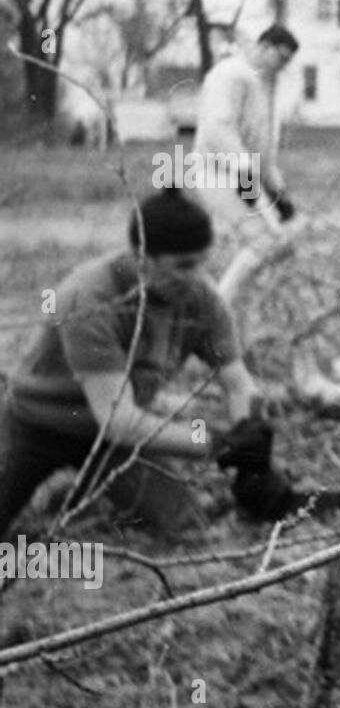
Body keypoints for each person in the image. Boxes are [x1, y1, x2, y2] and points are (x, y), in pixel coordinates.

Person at [0, 190, 265, 541]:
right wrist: (217, 444)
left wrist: (251, 445)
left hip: (111, 441)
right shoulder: (89, 296)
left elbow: (237, 382)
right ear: (143, 259)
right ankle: (69, 487)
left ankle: (76, 492)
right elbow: (120, 423)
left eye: (203, 261)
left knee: (190, 527)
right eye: (183, 265)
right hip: (37, 425)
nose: (197, 275)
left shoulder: (202, 298)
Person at [191, 24, 299, 298]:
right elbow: (218, 130)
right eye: (281, 58)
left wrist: (277, 189)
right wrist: (246, 176)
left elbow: (261, 148)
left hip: (244, 174)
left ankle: (243, 307)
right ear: (263, 47)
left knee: (284, 240)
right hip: (217, 172)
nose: (282, 66)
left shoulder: (261, 83)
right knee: (265, 240)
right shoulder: (230, 75)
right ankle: (219, 310)